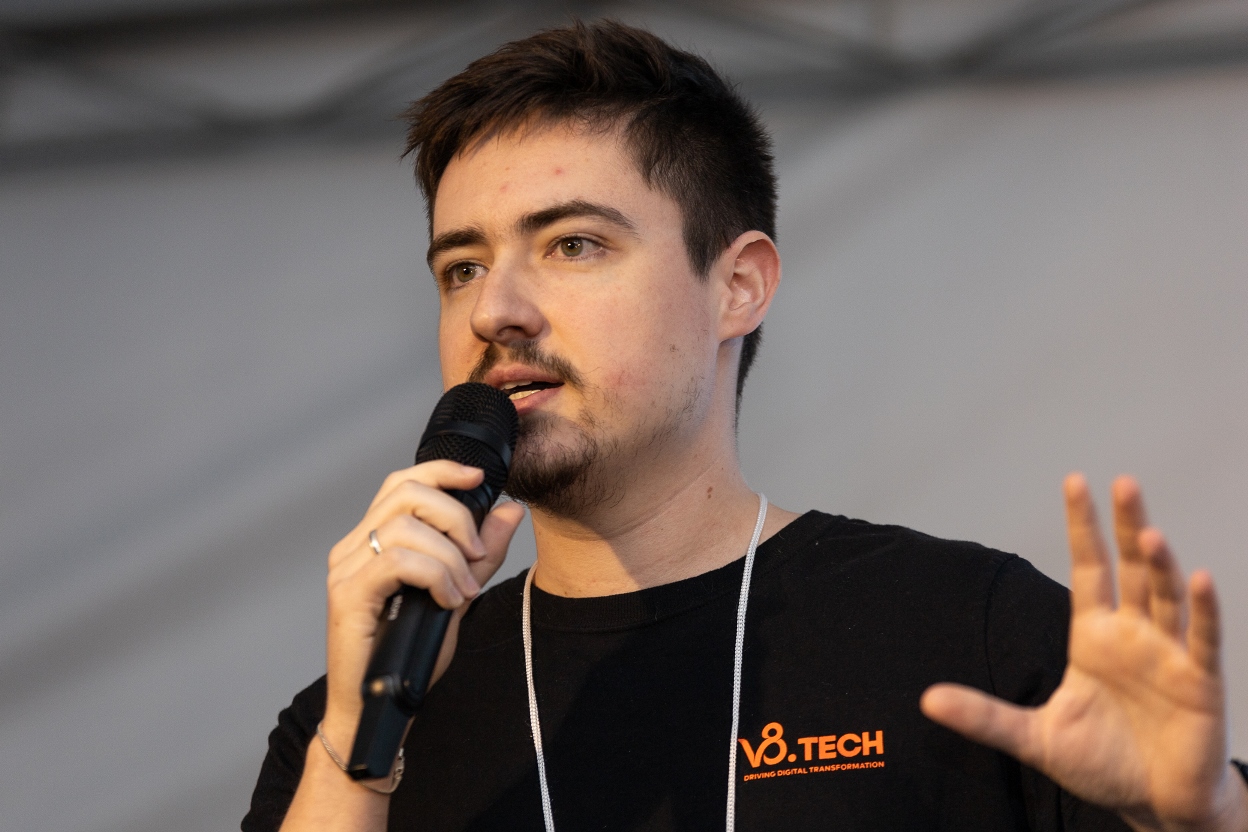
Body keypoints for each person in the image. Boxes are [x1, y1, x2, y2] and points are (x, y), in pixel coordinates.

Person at [243, 20, 1248, 832]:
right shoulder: (352, 723)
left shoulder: (972, 631)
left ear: (738, 287)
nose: (495, 309)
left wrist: (1208, 820)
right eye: (461, 267)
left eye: (573, 244)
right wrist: (357, 751)